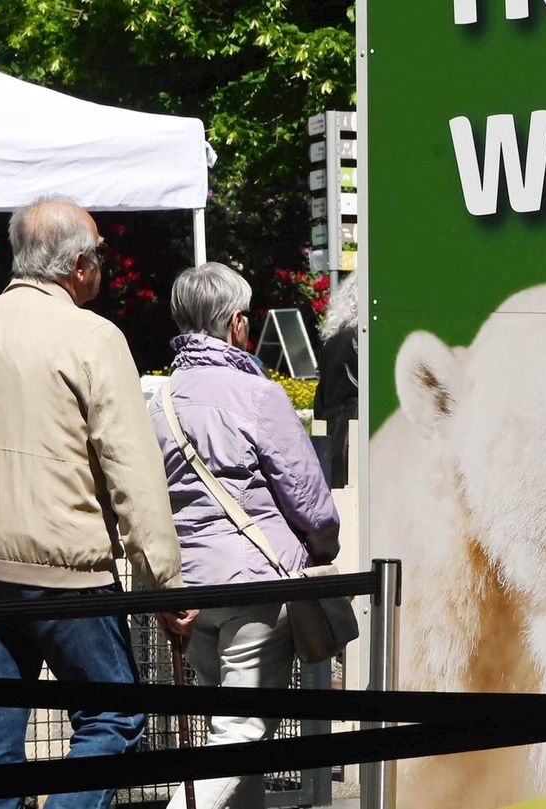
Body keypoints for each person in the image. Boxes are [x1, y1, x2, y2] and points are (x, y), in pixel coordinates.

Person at [0, 196, 197, 809]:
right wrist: (164, 584)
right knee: (113, 719)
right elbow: (133, 472)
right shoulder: (93, 336)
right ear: (80, 264)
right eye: (101, 255)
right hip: (67, 570)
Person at [149, 262, 341, 809]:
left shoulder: (158, 402)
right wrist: (320, 551)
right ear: (236, 323)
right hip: (256, 584)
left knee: (228, 733)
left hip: (187, 590)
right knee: (240, 733)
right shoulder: (258, 395)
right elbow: (310, 501)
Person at [313, 271, 359, 486]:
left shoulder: (332, 341)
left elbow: (320, 400)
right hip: (359, 438)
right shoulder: (363, 340)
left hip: (332, 437)